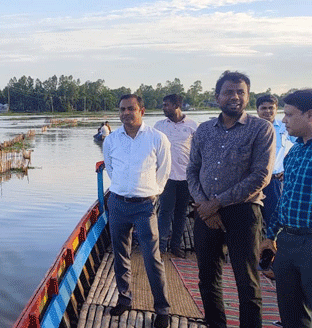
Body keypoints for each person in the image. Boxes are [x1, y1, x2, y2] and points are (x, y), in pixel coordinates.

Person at [186, 71, 275, 328]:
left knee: (246, 281)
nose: (235, 97)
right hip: (206, 214)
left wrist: (217, 203)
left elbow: (261, 176)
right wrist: (205, 205)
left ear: (248, 97)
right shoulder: (203, 130)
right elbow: (192, 170)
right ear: (217, 97)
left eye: (240, 92)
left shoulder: (261, 129)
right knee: (207, 278)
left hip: (243, 212)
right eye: (228, 92)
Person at [259, 89, 312, 328]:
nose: (283, 120)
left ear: (310, 115)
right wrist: (271, 236)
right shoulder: (295, 151)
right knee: (291, 311)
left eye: (289, 114)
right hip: (288, 241)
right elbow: (286, 198)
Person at [103, 94, 171, 328]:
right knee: (120, 254)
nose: (125, 113)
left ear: (142, 110)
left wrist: (153, 191)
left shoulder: (157, 138)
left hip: (145, 205)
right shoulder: (111, 140)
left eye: (131, 109)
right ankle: (125, 298)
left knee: (152, 258)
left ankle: (162, 309)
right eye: (122, 109)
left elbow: (164, 169)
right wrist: (123, 189)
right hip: (118, 203)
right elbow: (110, 169)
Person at [255, 94, 296, 279]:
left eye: (271, 108)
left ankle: (272, 263)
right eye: (264, 108)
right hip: (254, 182)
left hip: (274, 182)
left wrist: (288, 169)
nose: (268, 111)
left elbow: (300, 145)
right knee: (254, 222)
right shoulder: (252, 128)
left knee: (274, 222)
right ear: (257, 110)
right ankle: (254, 260)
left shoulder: (285, 128)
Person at [154, 94, 198, 258]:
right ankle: (161, 246)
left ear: (176, 105)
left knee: (180, 213)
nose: (164, 108)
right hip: (167, 177)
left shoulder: (193, 126)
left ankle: (176, 245)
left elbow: (198, 152)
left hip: (186, 177)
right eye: (163, 105)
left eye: (167, 105)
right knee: (165, 211)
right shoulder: (159, 126)